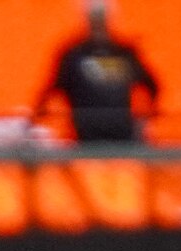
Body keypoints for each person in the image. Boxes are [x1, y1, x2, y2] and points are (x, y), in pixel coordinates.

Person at [34, 0, 158, 147]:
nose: (98, 22)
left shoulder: (124, 53)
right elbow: (49, 92)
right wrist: (35, 123)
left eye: (101, 17)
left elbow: (153, 87)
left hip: (123, 138)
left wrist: (143, 123)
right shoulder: (73, 55)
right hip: (86, 139)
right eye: (95, 17)